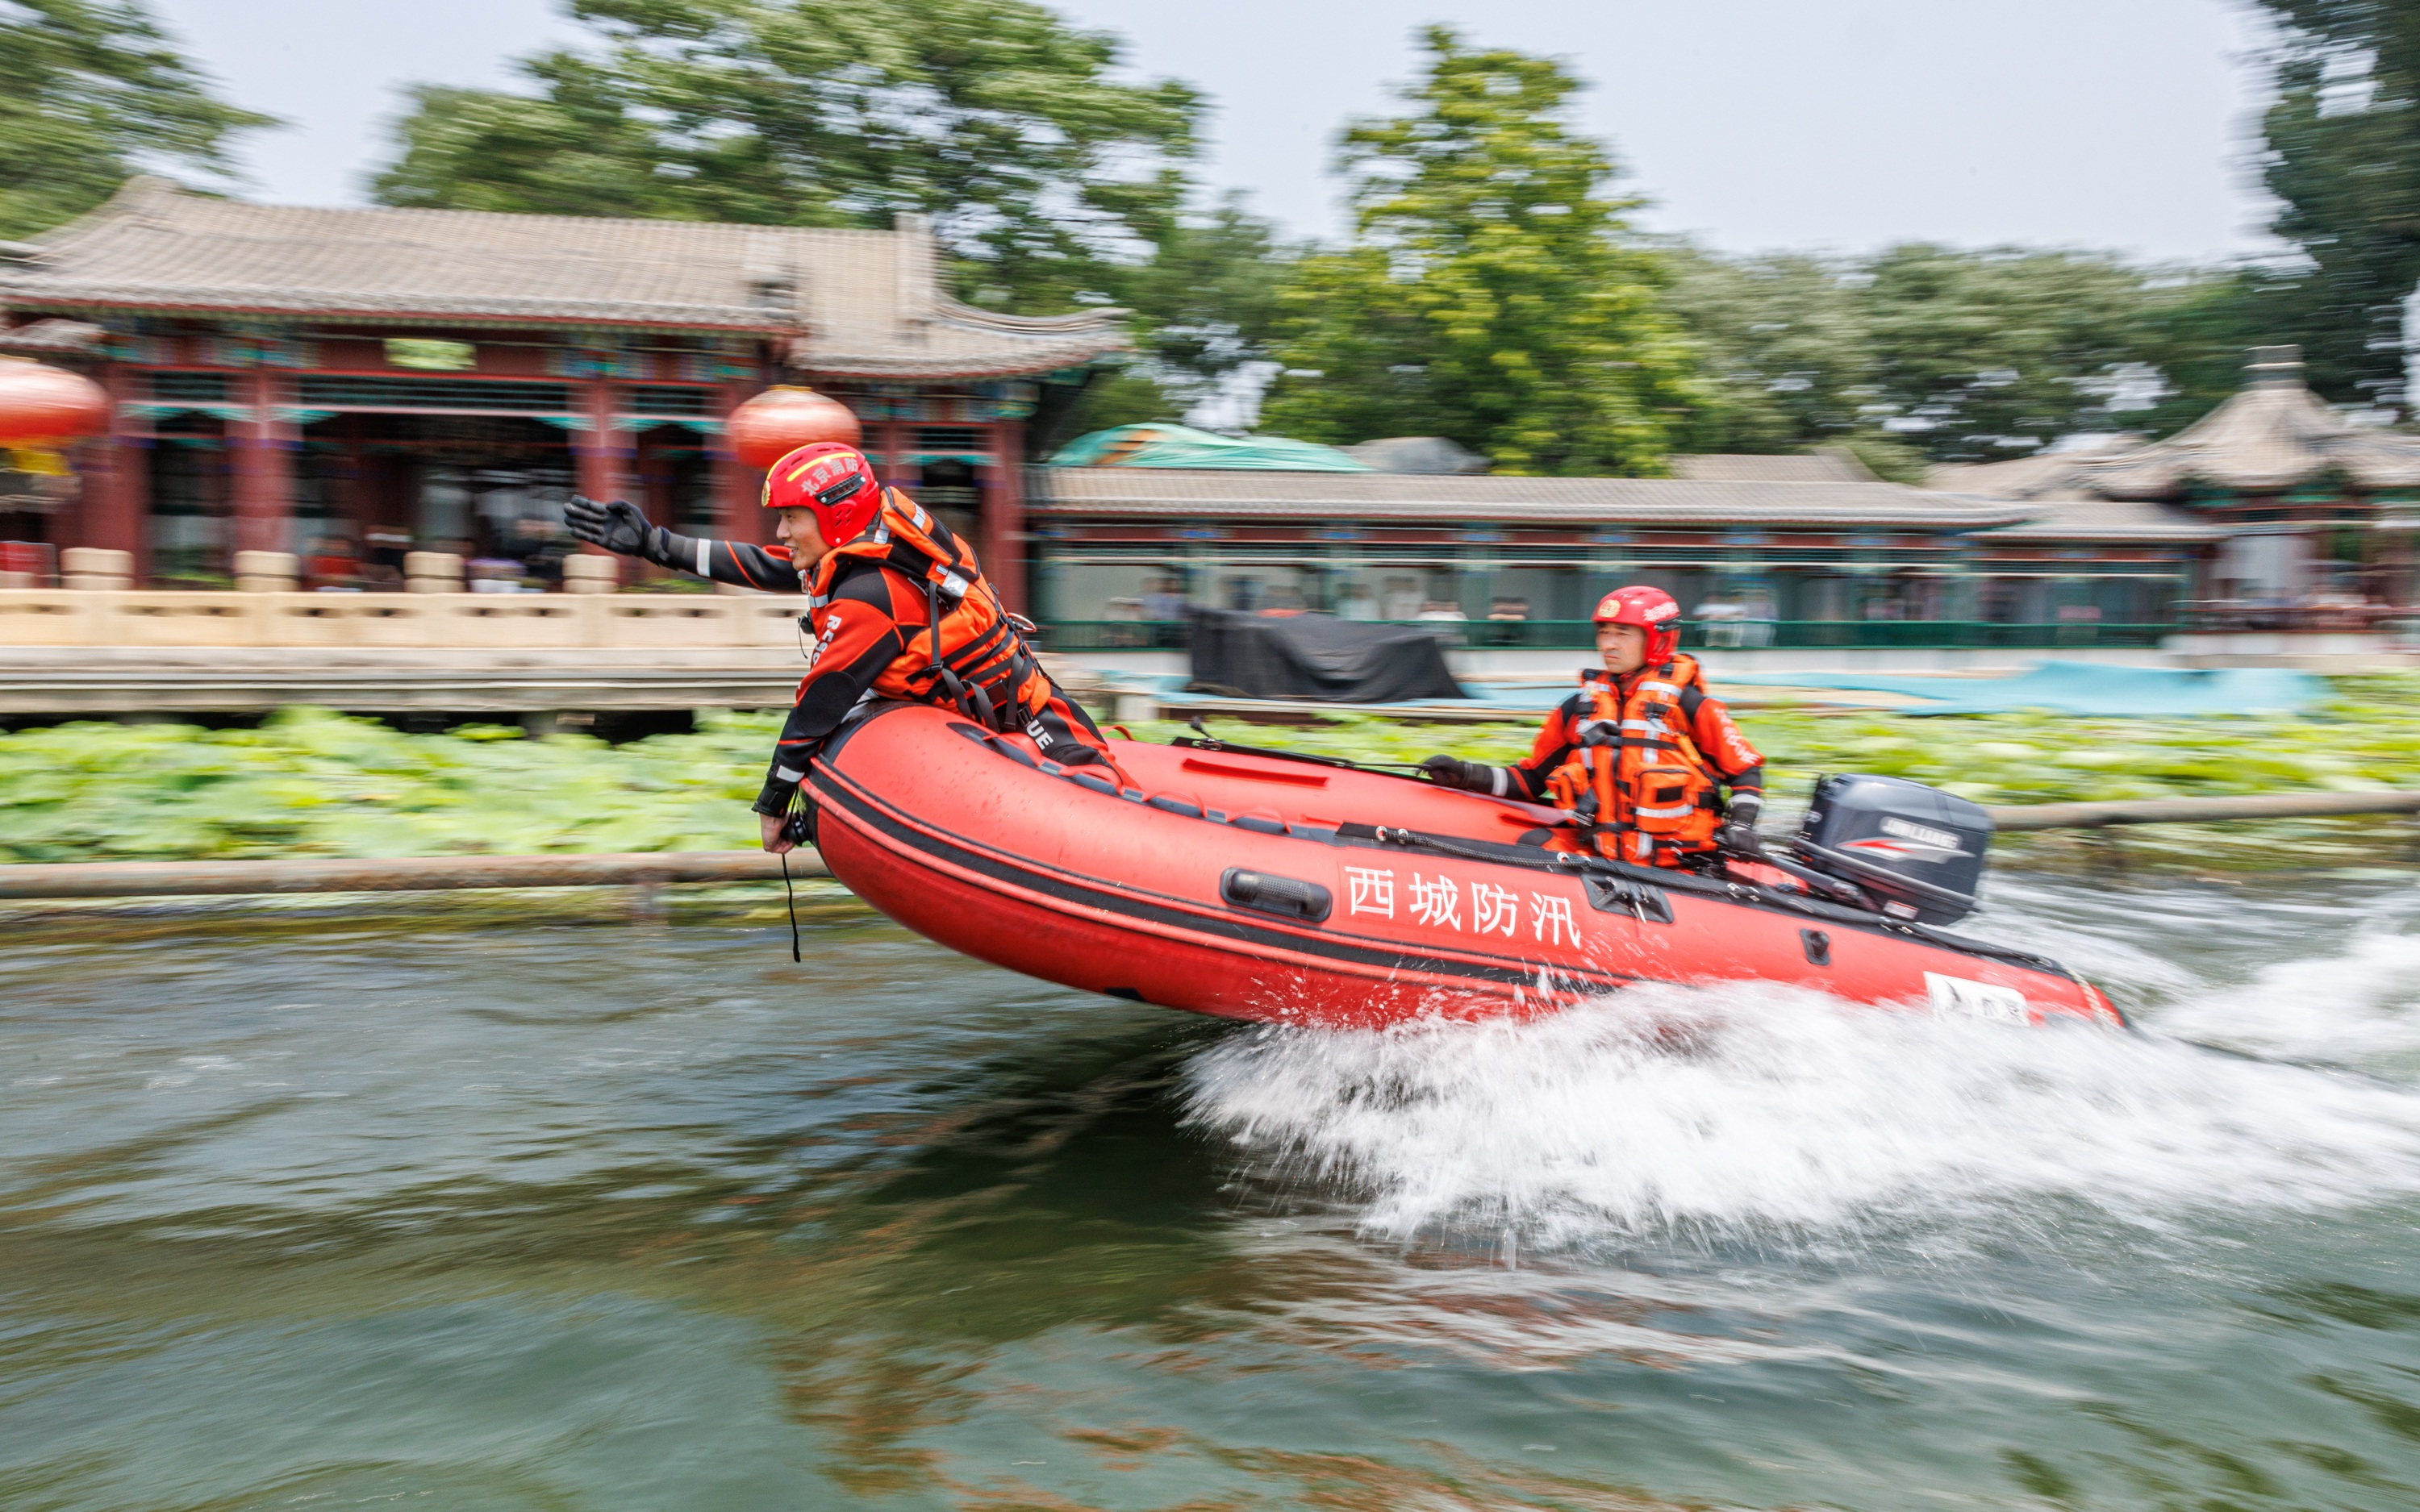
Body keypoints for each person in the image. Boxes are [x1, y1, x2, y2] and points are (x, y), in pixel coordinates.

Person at [564, 442, 1113, 855]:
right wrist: (654, 545)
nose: (781, 530)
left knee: (1102, 825)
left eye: (790, 517)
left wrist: (772, 805)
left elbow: (816, 708)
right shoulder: (864, 546)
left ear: (835, 517)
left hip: (1038, 725)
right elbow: (765, 564)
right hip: (979, 719)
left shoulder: (871, 598)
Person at [1419, 585, 1766, 868]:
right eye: (1604, 633)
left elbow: (1746, 772)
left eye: (1623, 634)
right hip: (1601, 858)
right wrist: (1464, 774)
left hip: (1681, 864)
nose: (1608, 644)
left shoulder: (1690, 705)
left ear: (1659, 640)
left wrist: (1741, 825)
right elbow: (1530, 781)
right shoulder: (1577, 708)